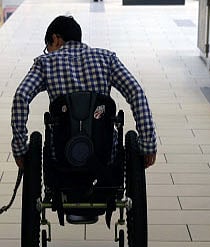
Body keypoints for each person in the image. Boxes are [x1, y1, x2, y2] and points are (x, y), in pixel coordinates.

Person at [10, 15, 157, 171]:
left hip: (60, 155)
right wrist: (147, 143)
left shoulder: (45, 63)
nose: (49, 52)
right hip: (105, 153)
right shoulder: (107, 59)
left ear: (56, 39)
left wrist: (20, 149)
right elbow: (136, 93)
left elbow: (21, 96)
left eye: (48, 47)